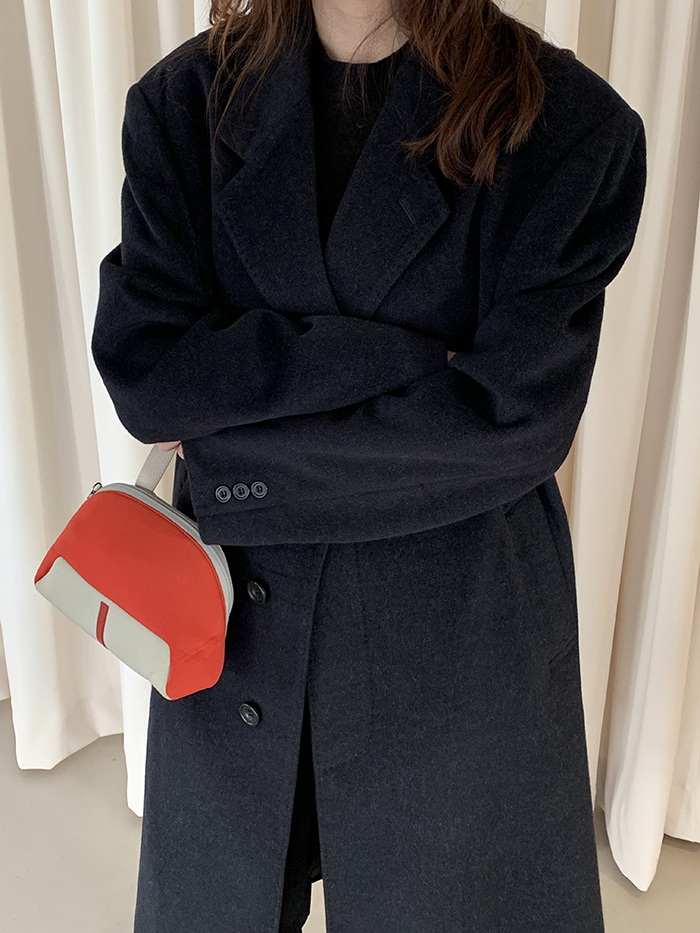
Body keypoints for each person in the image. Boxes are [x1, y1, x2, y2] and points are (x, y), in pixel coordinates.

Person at [91, 1, 647, 931]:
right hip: (238, 630)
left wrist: (228, 443)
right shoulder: (182, 104)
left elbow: (510, 420)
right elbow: (148, 374)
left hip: (452, 644)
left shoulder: (570, 129)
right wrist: (408, 363)